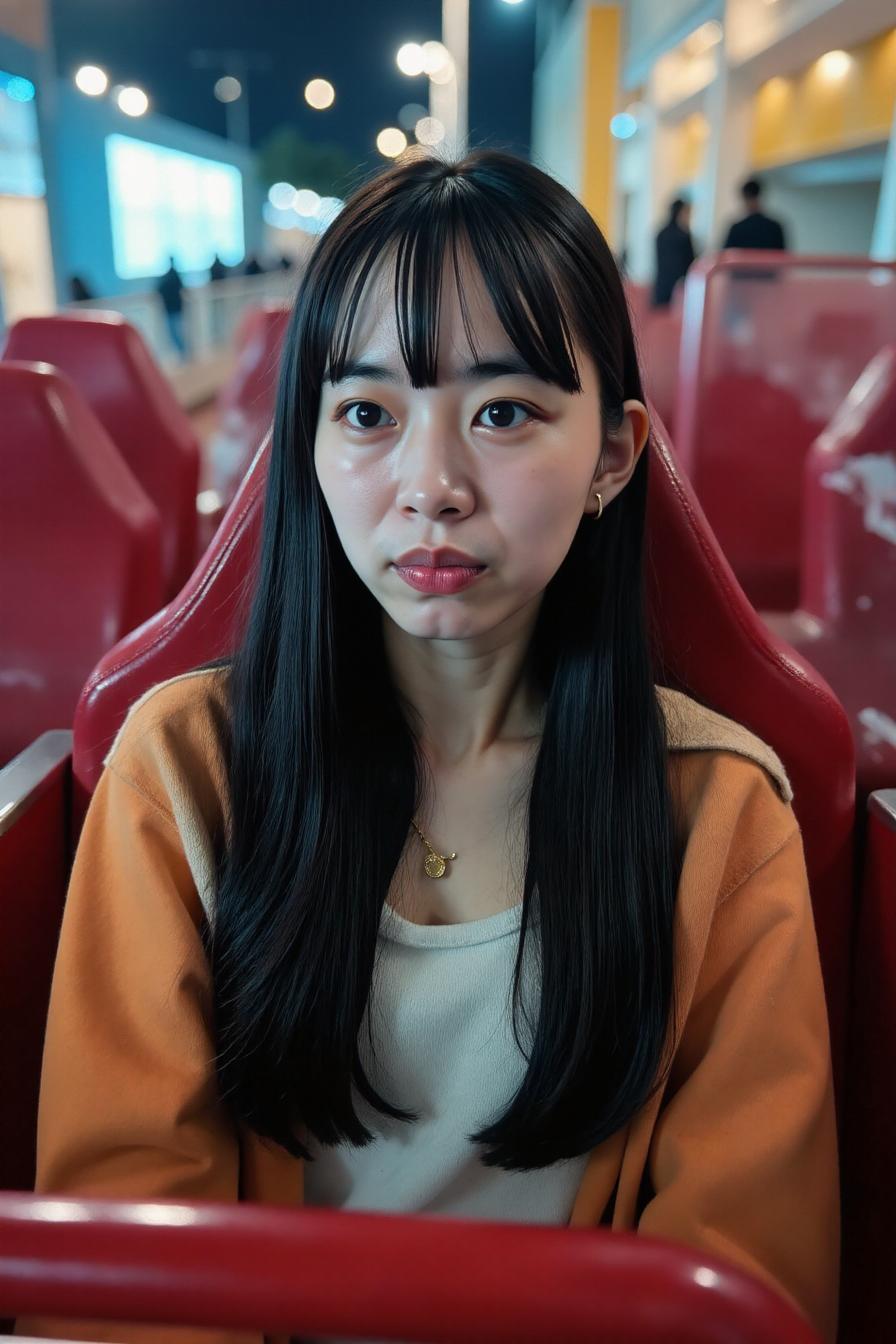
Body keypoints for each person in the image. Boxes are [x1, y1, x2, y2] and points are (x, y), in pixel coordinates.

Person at [18, 151, 838, 1344]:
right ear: (305, 445)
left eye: (503, 412)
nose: (431, 486)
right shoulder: (184, 775)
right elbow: (126, 1269)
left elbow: (744, 1267)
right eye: (366, 414)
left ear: (612, 455)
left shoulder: (715, 812)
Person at [652, 198, 696, 308]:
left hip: (661, 287)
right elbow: (691, 264)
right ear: (680, 213)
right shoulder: (684, 236)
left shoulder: (661, 234)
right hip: (679, 290)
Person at [723, 177, 788, 250]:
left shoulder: (737, 229)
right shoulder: (775, 228)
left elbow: (726, 254)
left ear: (745, 199)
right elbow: (782, 254)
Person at [156, 255, 186, 358]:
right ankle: (183, 354)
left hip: (172, 309)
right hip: (173, 308)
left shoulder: (170, 276)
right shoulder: (174, 275)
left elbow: (161, 289)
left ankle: (183, 354)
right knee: (176, 333)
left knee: (175, 333)